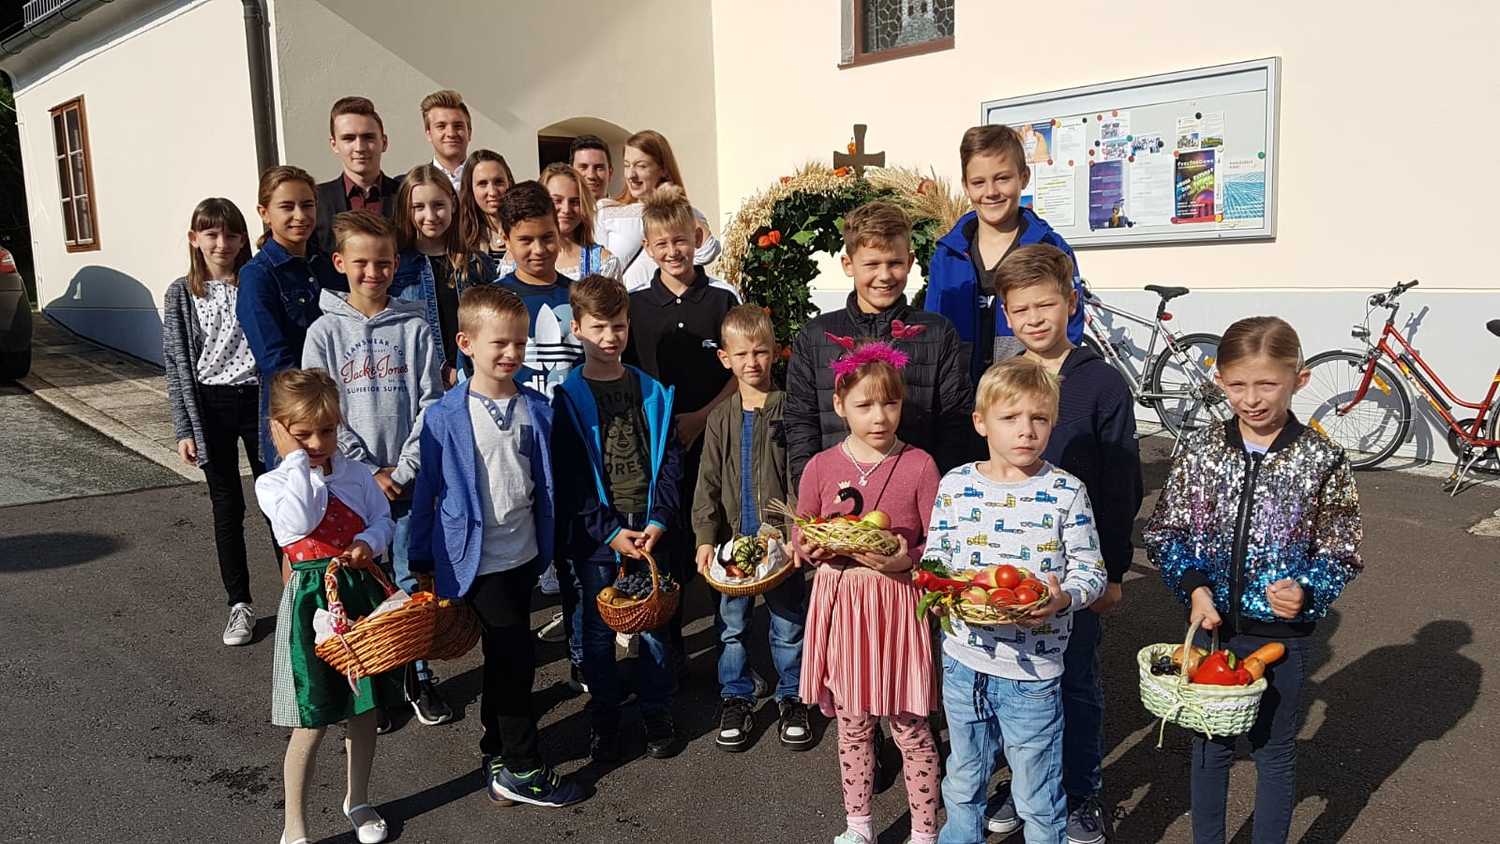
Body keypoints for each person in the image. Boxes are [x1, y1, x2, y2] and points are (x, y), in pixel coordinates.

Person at [1145, 316, 1363, 844]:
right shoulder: (1201, 449)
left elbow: (1341, 549)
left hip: (1281, 640)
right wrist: (1194, 586)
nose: (1251, 399)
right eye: (1237, 385)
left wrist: (1308, 591)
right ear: (1219, 380)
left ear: (1298, 380)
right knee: (1209, 749)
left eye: (1267, 384)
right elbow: (1165, 531)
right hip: (1212, 630)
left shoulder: (1322, 458)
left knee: (1274, 750)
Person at [982, 244, 1143, 843]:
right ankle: (1023, 783)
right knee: (1016, 685)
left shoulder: (1102, 384)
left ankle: (1081, 792)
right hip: (1011, 572)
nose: (1034, 319)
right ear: (1006, 314)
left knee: (1075, 684)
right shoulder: (1004, 380)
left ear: (1071, 302)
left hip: (1076, 572)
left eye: (1045, 304)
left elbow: (1122, 484)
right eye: (1020, 309)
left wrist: (1115, 570)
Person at [408, 285, 586, 808]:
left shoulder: (538, 407)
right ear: (466, 343)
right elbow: (427, 491)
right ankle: (524, 767)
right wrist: (420, 558)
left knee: (505, 656)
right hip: (475, 561)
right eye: (499, 343)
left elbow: (547, 483)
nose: (511, 353)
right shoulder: (445, 415)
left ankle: (496, 751)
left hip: (524, 554)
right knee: (515, 659)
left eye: (519, 344)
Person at [927, 357, 1108, 844]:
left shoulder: (1065, 491)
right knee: (963, 776)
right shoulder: (956, 486)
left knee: (1037, 789)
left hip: (1033, 671)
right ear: (981, 422)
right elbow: (935, 562)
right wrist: (937, 593)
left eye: (1039, 418)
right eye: (1010, 417)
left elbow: (1091, 571)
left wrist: (1064, 598)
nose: (1026, 430)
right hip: (963, 662)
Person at [302, 210, 447, 727]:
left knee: (408, 578)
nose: (373, 272)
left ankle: (417, 676)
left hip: (406, 482)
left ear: (396, 264)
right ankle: (371, 684)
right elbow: (321, 410)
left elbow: (432, 402)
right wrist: (366, 471)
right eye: (361, 262)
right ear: (340, 263)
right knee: (361, 579)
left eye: (383, 262)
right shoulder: (323, 333)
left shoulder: (415, 327)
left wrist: (403, 470)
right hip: (349, 485)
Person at [794, 340, 943, 844]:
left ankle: (925, 830)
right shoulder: (820, 466)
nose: (879, 417)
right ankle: (858, 826)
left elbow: (939, 546)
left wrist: (907, 560)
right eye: (864, 405)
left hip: (896, 606)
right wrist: (810, 546)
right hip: (841, 605)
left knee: (911, 726)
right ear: (839, 405)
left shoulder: (920, 465)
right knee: (853, 725)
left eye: (890, 403)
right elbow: (802, 530)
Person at [256, 368, 398, 844]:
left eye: (328, 430)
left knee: (364, 707)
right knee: (312, 717)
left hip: (358, 596)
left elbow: (384, 520)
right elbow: (298, 520)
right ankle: (293, 826)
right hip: (311, 607)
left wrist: (368, 542)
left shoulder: (356, 474)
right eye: (303, 435)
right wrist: (296, 461)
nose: (318, 443)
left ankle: (358, 799)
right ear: (278, 430)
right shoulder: (273, 483)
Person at [551, 274, 684, 762]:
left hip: (649, 527)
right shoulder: (568, 398)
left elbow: (669, 460)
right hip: (599, 536)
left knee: (653, 624)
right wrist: (607, 531)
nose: (610, 337)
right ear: (577, 329)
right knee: (597, 627)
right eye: (599, 327)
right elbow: (571, 480)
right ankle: (604, 715)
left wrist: (660, 518)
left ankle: (656, 710)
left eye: (619, 326)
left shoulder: (651, 391)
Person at [623, 183, 740, 671]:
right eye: (662, 244)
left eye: (681, 241)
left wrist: (700, 418)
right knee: (665, 544)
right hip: (657, 449)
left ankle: (729, 653)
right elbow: (626, 376)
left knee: (717, 538)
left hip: (713, 440)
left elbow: (740, 374)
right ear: (648, 248)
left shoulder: (721, 299)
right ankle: (665, 654)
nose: (673, 251)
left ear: (696, 239)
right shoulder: (634, 305)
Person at [784, 200, 972, 487]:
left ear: (910, 261)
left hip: (915, 494)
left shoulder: (937, 332)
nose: (884, 276)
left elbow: (955, 423)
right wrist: (810, 488)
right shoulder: (816, 336)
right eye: (872, 264)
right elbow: (801, 422)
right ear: (849, 265)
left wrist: (940, 492)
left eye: (894, 263)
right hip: (837, 496)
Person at [691, 304, 811, 751]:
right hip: (732, 546)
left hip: (780, 545)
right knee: (732, 627)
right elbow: (707, 483)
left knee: (788, 624)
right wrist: (705, 539)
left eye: (760, 351)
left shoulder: (790, 409)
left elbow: (801, 478)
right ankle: (736, 696)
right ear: (725, 358)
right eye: (741, 354)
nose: (752, 362)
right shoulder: (721, 417)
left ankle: (792, 695)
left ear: (776, 352)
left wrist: (796, 532)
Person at [162, 197, 267, 645]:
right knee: (227, 506)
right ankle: (239, 604)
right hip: (210, 404)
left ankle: (298, 595)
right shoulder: (182, 293)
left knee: (278, 500)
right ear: (195, 239)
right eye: (211, 234)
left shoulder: (255, 282)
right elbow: (175, 363)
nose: (221, 243)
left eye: (231, 234)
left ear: (243, 240)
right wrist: (184, 428)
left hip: (259, 400)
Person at [925, 125, 1084, 383]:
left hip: (1025, 395)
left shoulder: (1050, 249)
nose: (991, 192)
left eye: (1002, 178)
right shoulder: (947, 254)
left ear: (1024, 177)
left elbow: (1070, 331)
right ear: (966, 186)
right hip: (958, 399)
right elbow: (932, 332)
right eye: (978, 182)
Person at [237, 165, 344, 469]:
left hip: (338, 413)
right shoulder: (257, 276)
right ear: (264, 213)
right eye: (287, 207)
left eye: (307, 205)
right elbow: (274, 359)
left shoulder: (328, 266)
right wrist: (315, 403)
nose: (300, 215)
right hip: (295, 417)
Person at [392, 164, 489, 389]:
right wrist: (441, 370)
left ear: (452, 204)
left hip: (473, 381)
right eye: (419, 207)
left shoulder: (477, 263)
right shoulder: (397, 266)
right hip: (419, 384)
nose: (430, 216)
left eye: (438, 205)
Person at [595, 129, 721, 292]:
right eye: (627, 165)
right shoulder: (607, 212)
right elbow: (594, 270)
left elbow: (708, 251)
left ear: (663, 169)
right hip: (626, 304)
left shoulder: (684, 214)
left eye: (641, 166)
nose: (631, 175)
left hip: (671, 301)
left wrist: (675, 202)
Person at [495, 180, 582, 398]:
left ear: (558, 232)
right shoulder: (491, 303)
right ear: (506, 240)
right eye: (526, 240)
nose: (539, 249)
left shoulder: (581, 298)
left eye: (547, 237)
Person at [314, 96, 402, 253]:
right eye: (348, 138)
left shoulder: (406, 196)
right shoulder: (316, 201)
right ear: (334, 145)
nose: (360, 147)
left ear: (384, 142)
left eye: (368, 137)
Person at [456, 149, 516, 275]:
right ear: (470, 189)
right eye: (482, 184)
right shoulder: (461, 238)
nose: (492, 192)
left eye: (498, 182)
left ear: (509, 182)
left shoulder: (527, 229)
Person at [420, 89, 472, 192]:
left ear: (469, 132)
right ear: (429, 134)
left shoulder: (491, 184)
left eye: (458, 126)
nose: (451, 134)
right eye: (441, 126)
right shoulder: (408, 186)